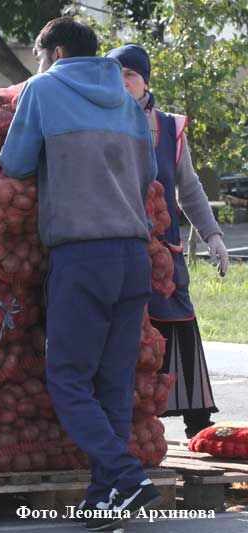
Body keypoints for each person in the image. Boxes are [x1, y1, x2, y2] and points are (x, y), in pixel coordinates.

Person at [0, 18, 159, 530]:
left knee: (67, 378)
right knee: (112, 384)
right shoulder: (127, 101)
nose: (37, 67)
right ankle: (103, 497)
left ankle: (126, 477)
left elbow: (16, 163)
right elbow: (150, 174)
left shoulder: (44, 89)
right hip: (134, 255)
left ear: (58, 51)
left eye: (40, 56)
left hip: (81, 255)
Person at [106, 44, 229, 439]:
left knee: (176, 324)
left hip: (166, 252)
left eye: (130, 75)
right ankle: (132, 424)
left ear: (145, 81)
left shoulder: (170, 128)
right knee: (125, 334)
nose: (122, 82)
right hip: (115, 247)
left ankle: (198, 426)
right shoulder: (97, 121)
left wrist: (213, 236)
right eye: (116, 74)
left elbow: (189, 190)